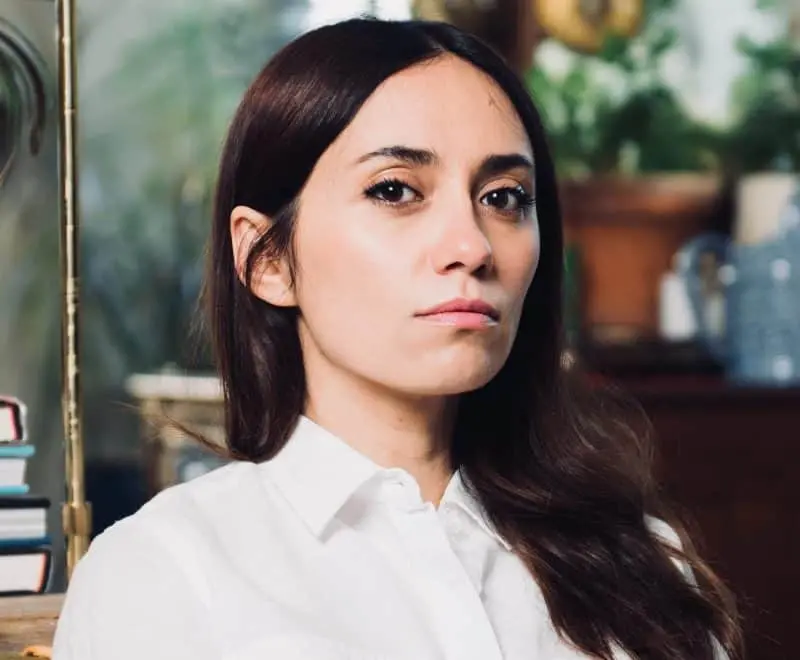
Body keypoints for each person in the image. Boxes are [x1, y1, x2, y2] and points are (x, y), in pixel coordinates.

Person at [52, 18, 740, 660]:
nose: (471, 246)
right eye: (394, 190)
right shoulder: (164, 575)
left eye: (504, 197)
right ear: (266, 259)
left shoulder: (642, 560)